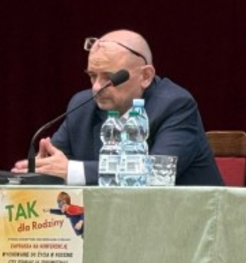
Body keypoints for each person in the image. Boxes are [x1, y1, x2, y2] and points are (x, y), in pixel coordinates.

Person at [12, 30, 222, 186]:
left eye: (109, 77)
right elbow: (55, 165)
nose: (96, 88)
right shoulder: (82, 106)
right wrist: (38, 170)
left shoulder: (175, 105)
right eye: (92, 76)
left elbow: (155, 174)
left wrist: (72, 171)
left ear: (145, 76)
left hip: (184, 224)